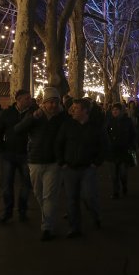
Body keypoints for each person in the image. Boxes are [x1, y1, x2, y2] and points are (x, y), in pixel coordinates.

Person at [15, 87, 67, 241]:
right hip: (35, 161)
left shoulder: (62, 117)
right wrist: (31, 118)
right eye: (49, 102)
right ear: (43, 103)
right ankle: (48, 217)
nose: (52, 105)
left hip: (54, 162)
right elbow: (18, 129)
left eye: (55, 102)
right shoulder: (35, 116)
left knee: (49, 196)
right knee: (39, 194)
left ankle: (47, 227)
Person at [55, 98, 106, 238]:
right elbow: (59, 143)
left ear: (85, 111)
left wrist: (96, 162)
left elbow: (103, 146)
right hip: (70, 168)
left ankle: (96, 215)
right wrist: (62, 162)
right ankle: (74, 227)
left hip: (88, 168)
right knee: (72, 199)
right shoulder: (67, 125)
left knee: (89, 196)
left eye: (76, 108)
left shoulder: (94, 127)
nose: (72, 111)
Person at [0, 89, 35, 224]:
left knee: (26, 184)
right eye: (27, 98)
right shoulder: (7, 113)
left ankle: (22, 210)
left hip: (25, 154)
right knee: (7, 184)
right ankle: (8, 211)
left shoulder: (33, 114)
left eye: (30, 98)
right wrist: (1, 150)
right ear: (18, 99)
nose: (29, 100)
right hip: (8, 154)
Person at [105, 103, 137, 198]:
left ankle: (124, 185)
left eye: (117, 110)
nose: (115, 111)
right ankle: (116, 192)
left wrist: (132, 146)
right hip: (112, 151)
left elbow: (133, 134)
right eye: (113, 110)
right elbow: (105, 135)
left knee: (123, 173)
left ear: (121, 111)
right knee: (114, 175)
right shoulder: (109, 122)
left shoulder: (128, 121)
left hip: (124, 151)